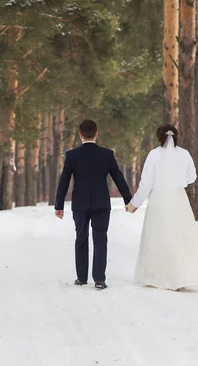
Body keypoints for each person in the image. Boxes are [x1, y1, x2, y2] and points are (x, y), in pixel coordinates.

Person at [125, 124, 198, 290]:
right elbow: (192, 177)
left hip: (159, 198)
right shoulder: (184, 154)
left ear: (159, 138)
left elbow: (146, 183)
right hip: (178, 198)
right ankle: (182, 276)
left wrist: (135, 203)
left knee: (158, 235)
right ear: (175, 137)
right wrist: (179, 180)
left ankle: (157, 276)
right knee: (181, 236)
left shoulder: (154, 155)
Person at [55, 120, 132, 290]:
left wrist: (58, 205)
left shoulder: (72, 155)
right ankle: (99, 279)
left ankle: (81, 278)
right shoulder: (107, 154)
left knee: (81, 238)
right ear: (96, 133)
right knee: (100, 238)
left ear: (80, 135)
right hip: (101, 203)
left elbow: (64, 181)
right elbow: (118, 177)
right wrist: (128, 200)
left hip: (80, 204)